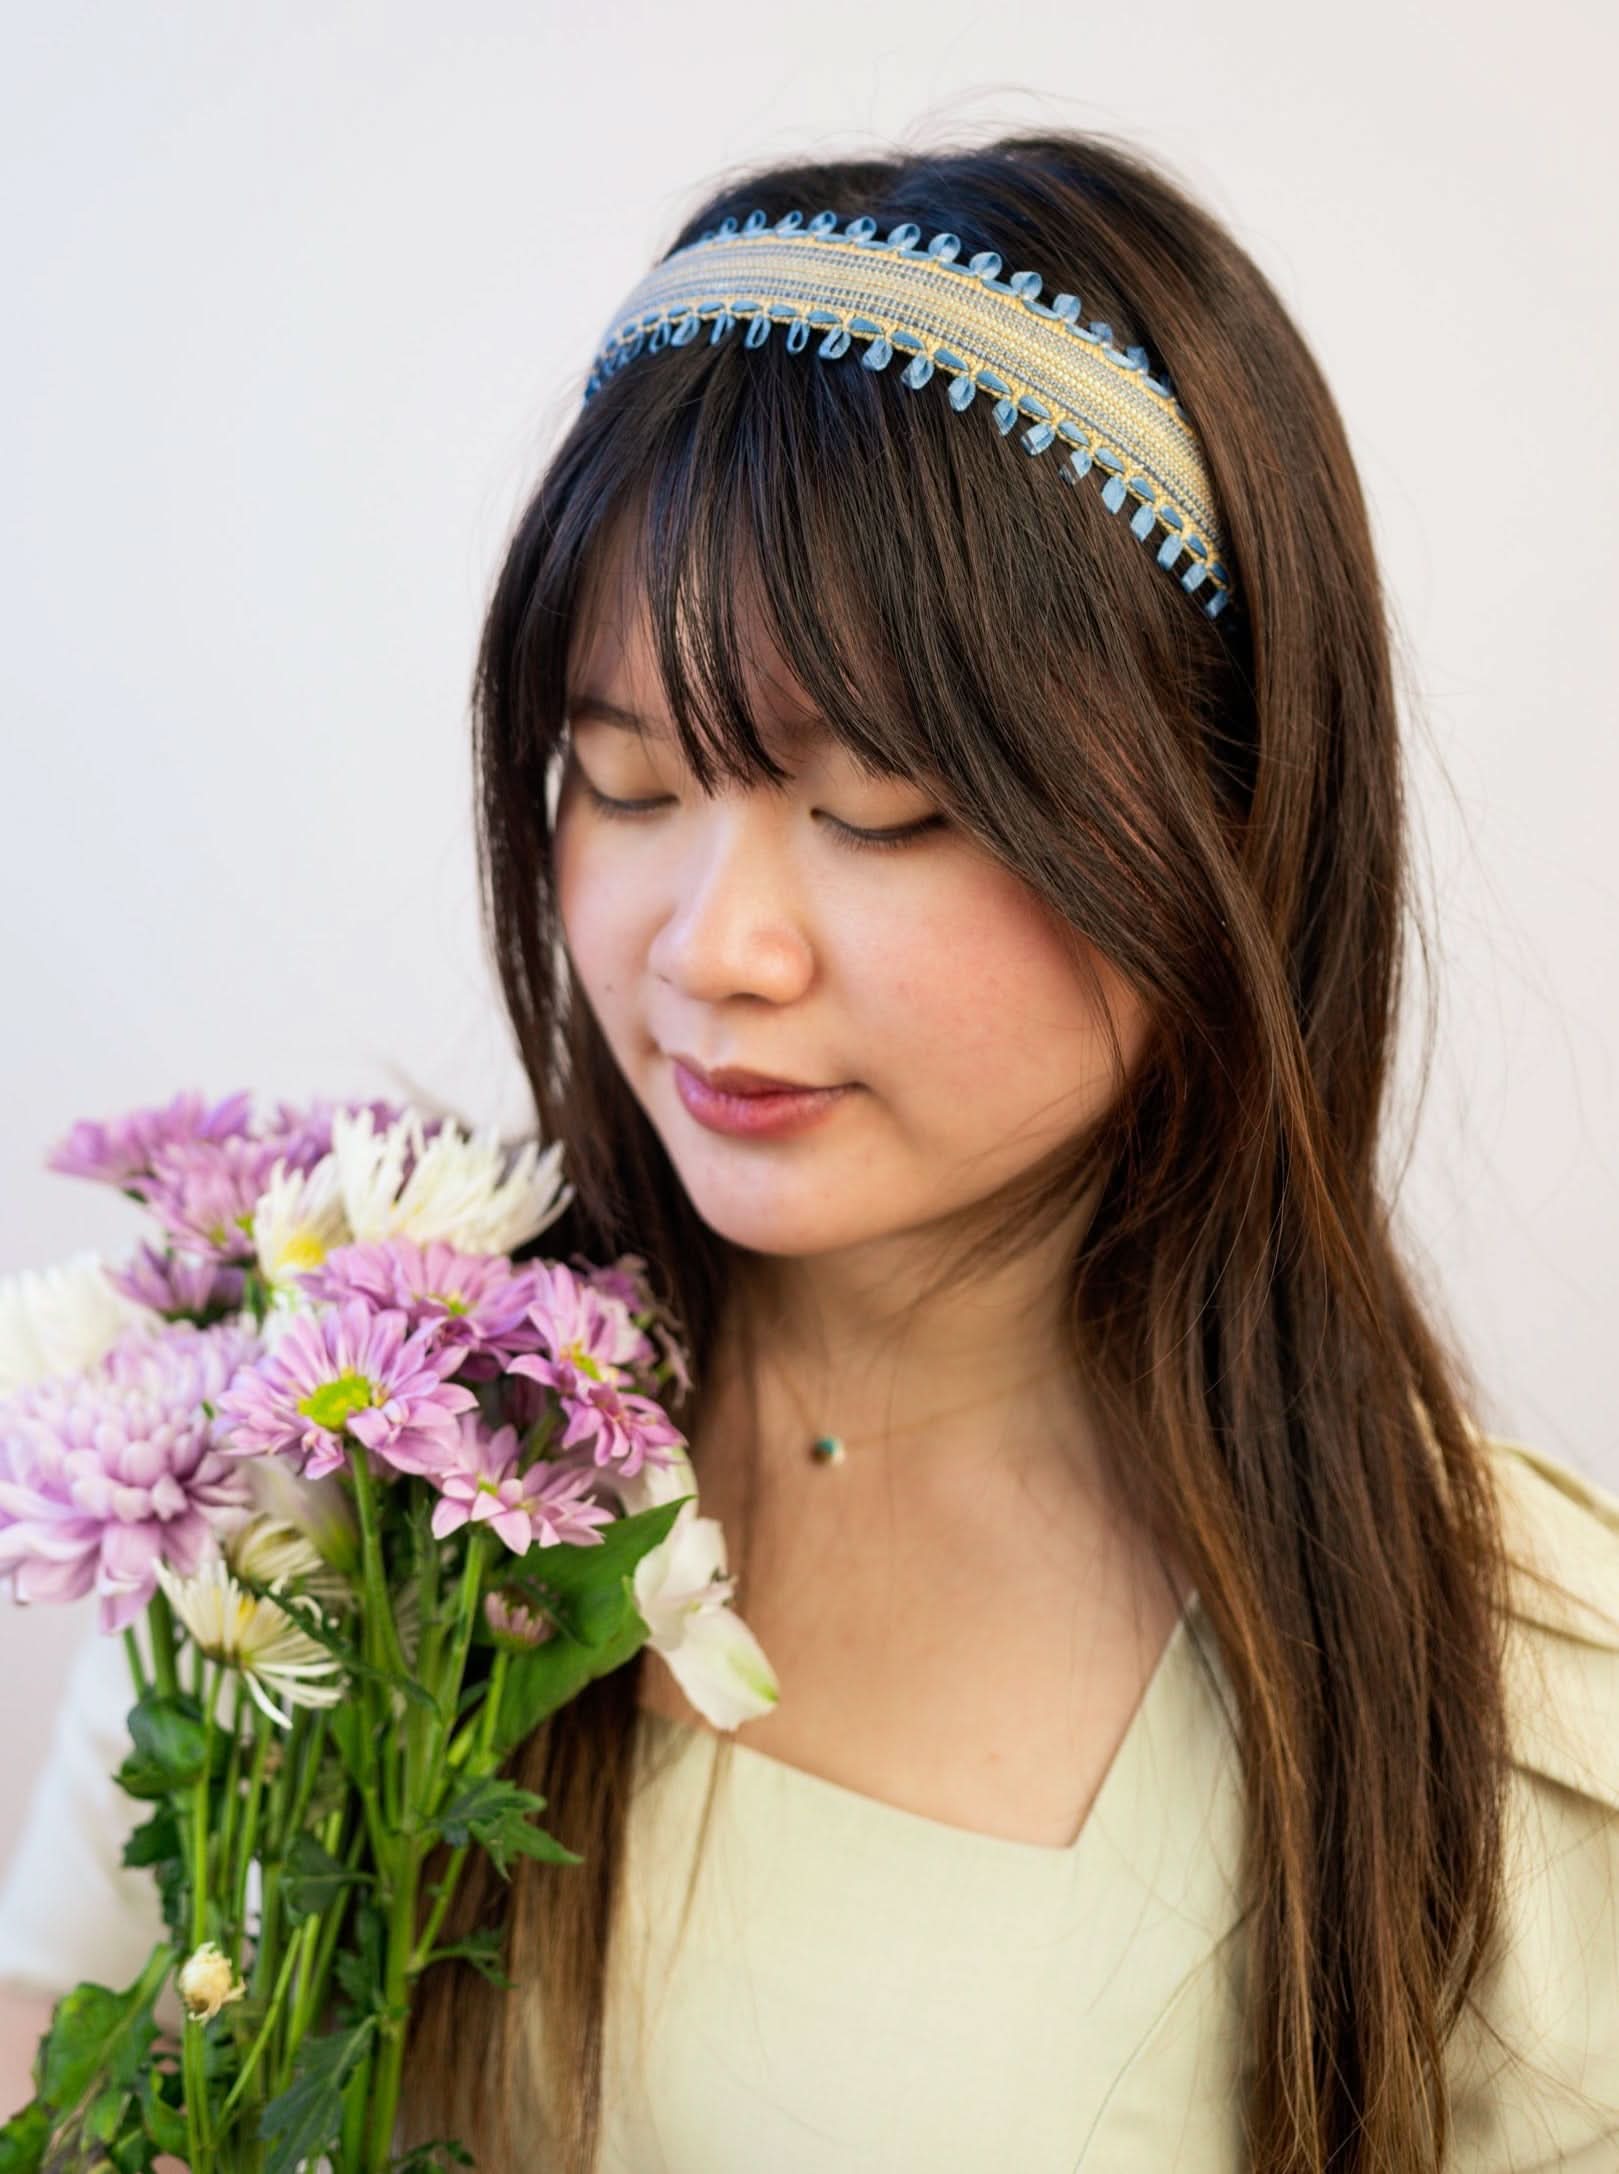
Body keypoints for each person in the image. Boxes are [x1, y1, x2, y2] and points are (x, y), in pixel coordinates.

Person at [4, 125, 1617, 2173]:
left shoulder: (1497, 1710)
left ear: (1235, 819)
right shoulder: (351, 1459)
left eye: (884, 813)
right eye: (622, 780)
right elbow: (66, 2061)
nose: (714, 951)